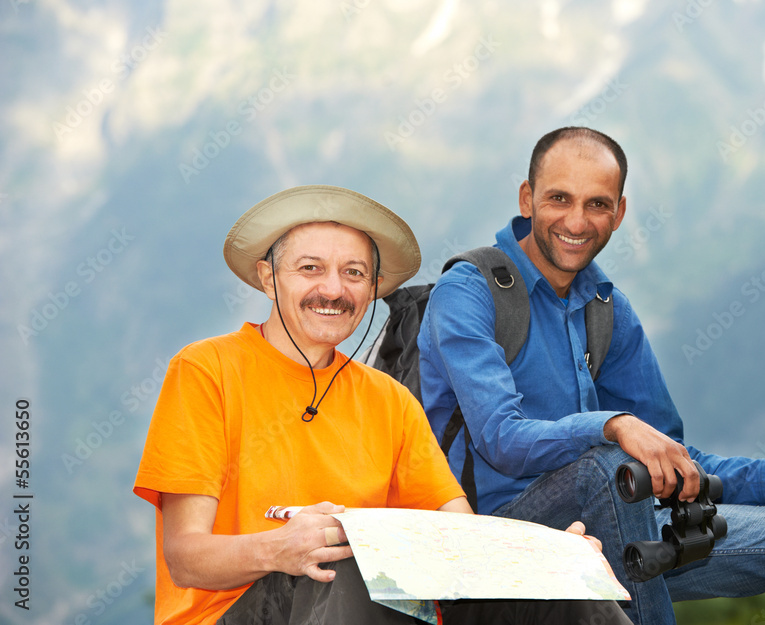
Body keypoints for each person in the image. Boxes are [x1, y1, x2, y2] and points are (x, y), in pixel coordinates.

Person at [417, 127, 765, 625]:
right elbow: (501, 440)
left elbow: (671, 460)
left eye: (597, 204)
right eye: (559, 198)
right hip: (501, 539)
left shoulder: (606, 309)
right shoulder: (467, 292)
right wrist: (613, 425)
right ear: (527, 198)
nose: (576, 221)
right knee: (610, 466)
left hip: (628, 532)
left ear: (619, 213)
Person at [133, 185, 632, 625]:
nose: (333, 289)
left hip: (368, 606)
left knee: (564, 591)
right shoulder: (207, 370)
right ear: (268, 278)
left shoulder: (389, 399)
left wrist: (549, 558)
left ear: (372, 290)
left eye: (354, 274)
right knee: (345, 559)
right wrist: (282, 548)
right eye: (311, 269)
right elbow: (185, 557)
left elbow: (457, 535)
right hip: (233, 613)